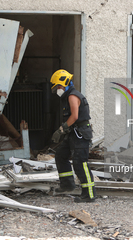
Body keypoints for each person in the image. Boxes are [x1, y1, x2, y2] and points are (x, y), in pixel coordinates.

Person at [50, 69, 96, 203]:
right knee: (60, 155)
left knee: (80, 163)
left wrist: (61, 129)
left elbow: (75, 116)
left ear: (64, 83)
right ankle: (67, 185)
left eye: (58, 86)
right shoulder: (68, 95)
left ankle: (89, 194)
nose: (58, 89)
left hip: (80, 133)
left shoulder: (72, 96)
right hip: (74, 133)